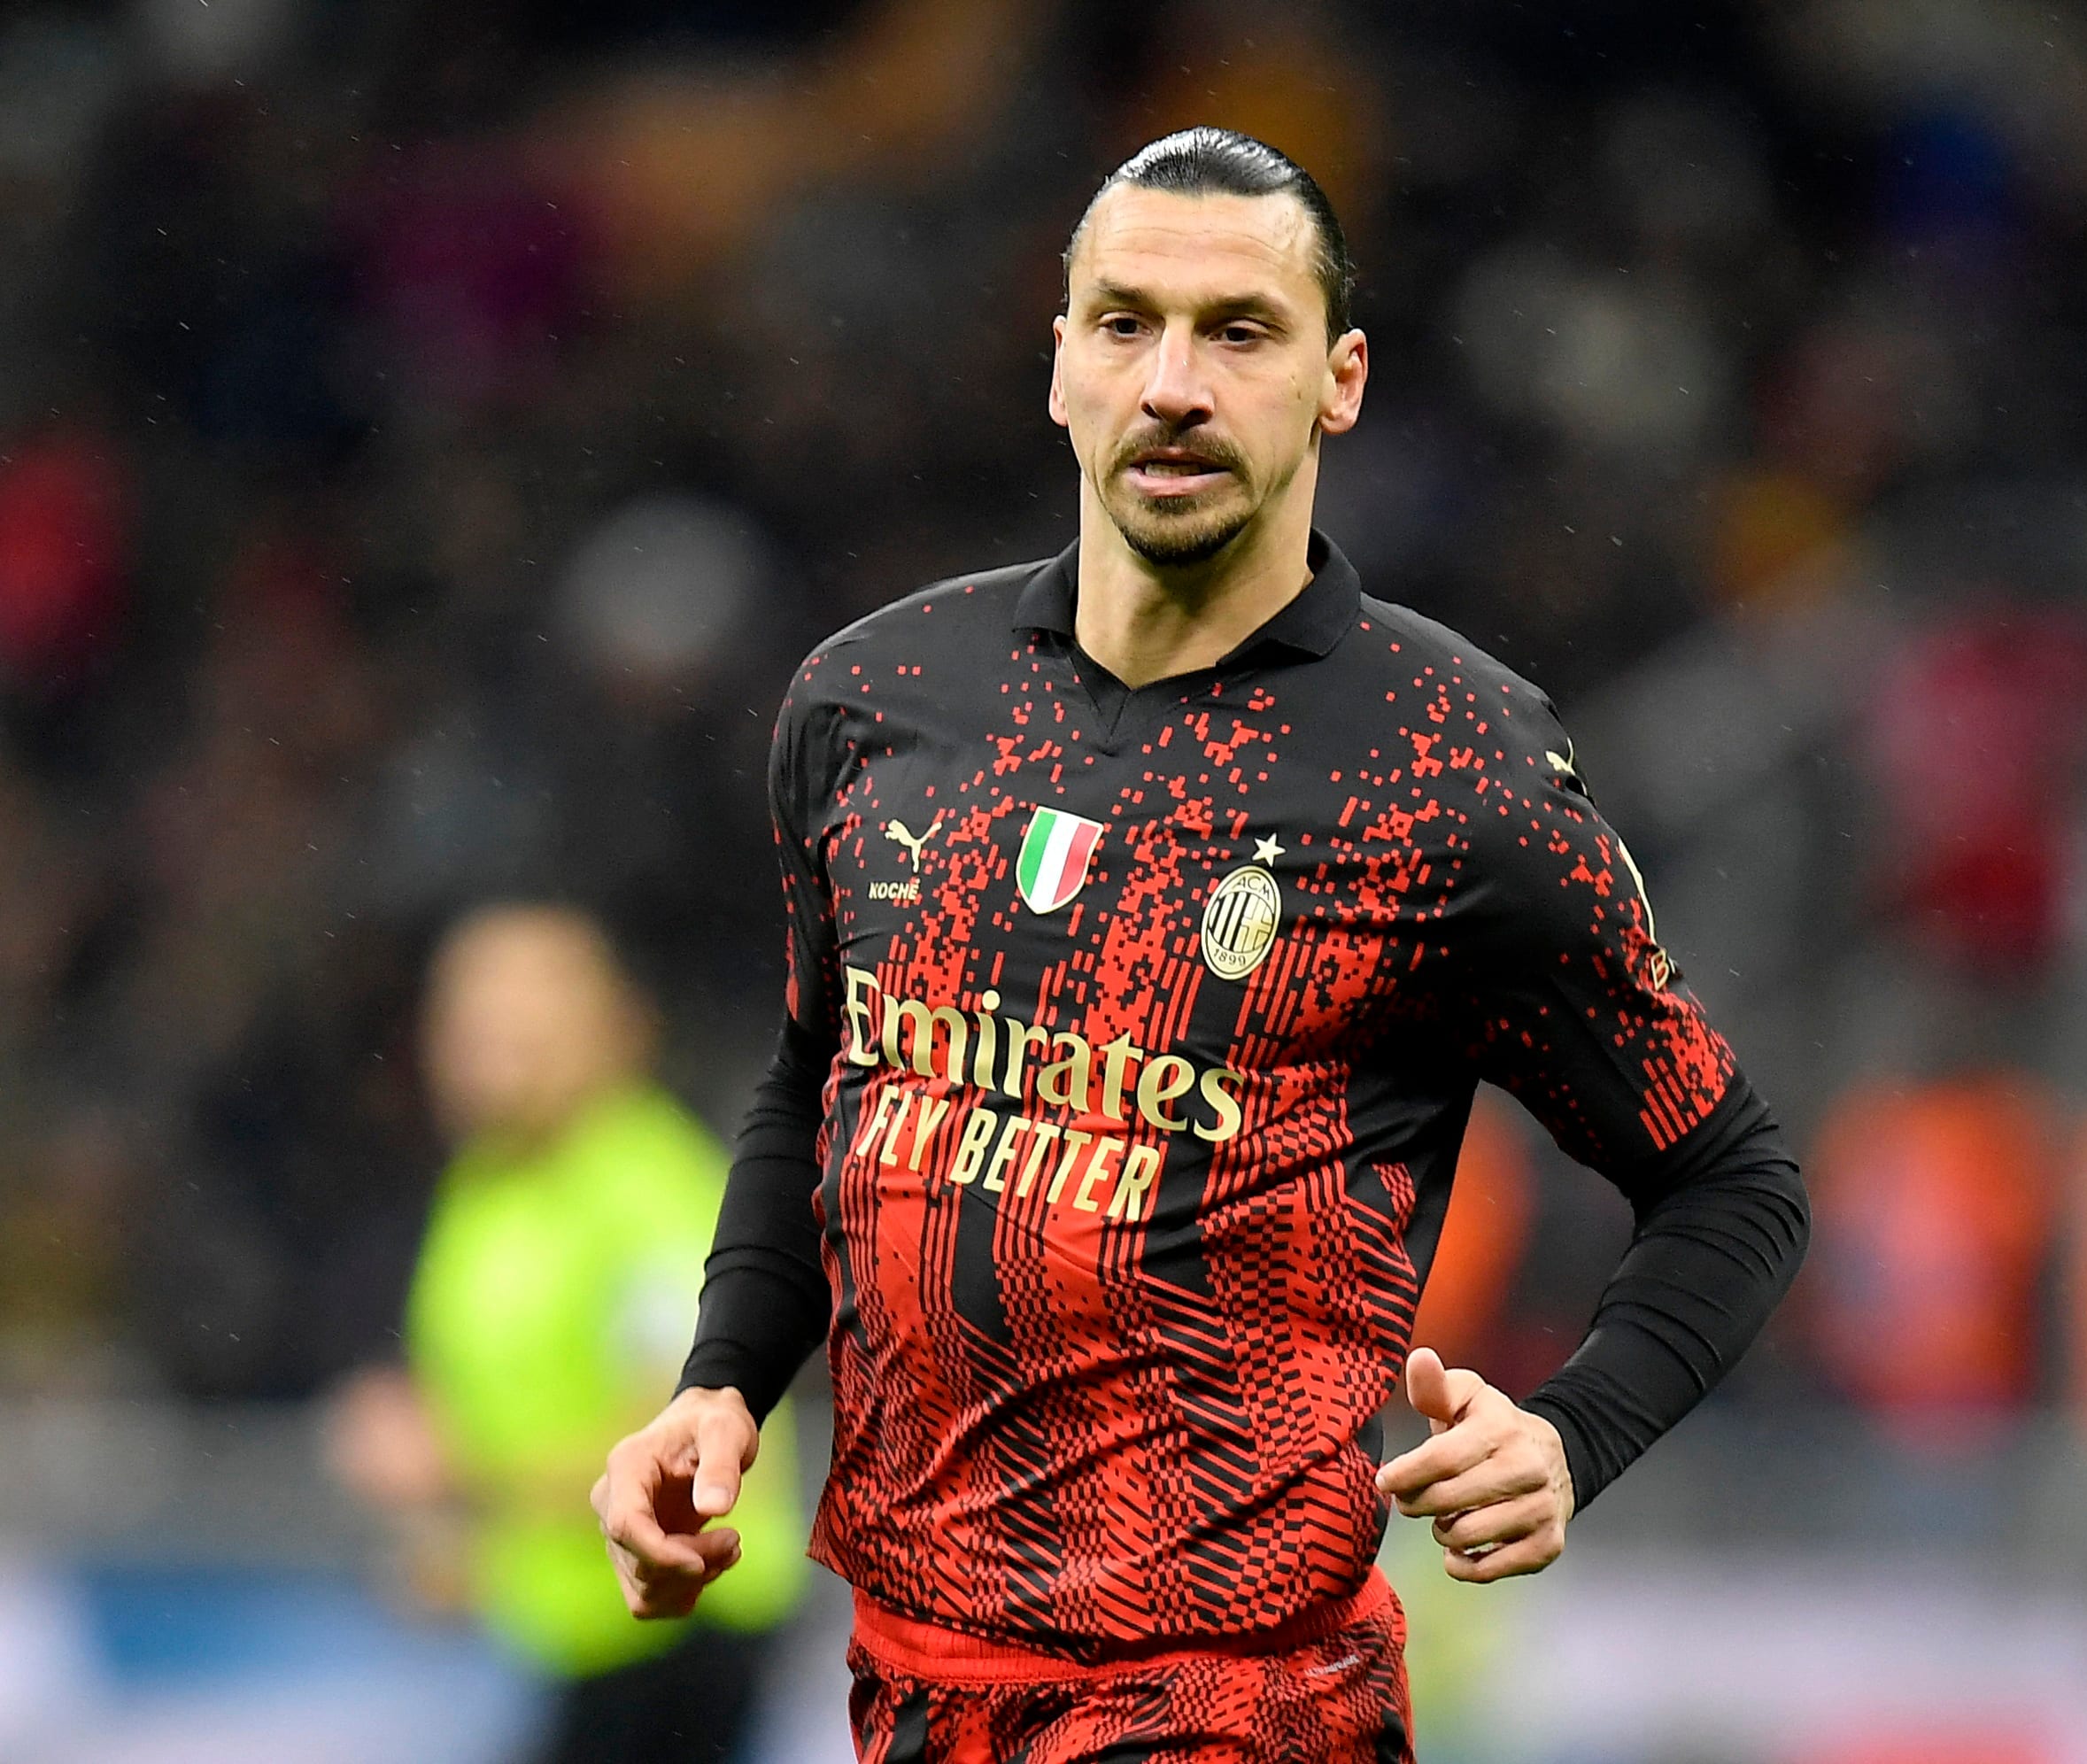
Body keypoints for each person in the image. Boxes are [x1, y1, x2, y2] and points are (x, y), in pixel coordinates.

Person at [593, 128, 1810, 1762]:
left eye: (1239, 331)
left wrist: (1573, 1434)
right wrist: (724, 1381)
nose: (1172, 384)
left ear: (1339, 381)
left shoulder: (1453, 772)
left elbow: (1731, 1178)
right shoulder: (874, 701)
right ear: (1060, 365)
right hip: (911, 1688)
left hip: (1238, 1704)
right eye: (1126, 324)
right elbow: (824, 1076)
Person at [333, 904, 808, 1764]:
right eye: (470, 1021)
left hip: (679, 1635)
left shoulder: (649, 1190)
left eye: (525, 1019)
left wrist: (459, 1475)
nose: (489, 1048)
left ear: (610, 1025)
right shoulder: (485, 1188)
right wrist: (467, 1549)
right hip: (571, 1639)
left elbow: (679, 1436)